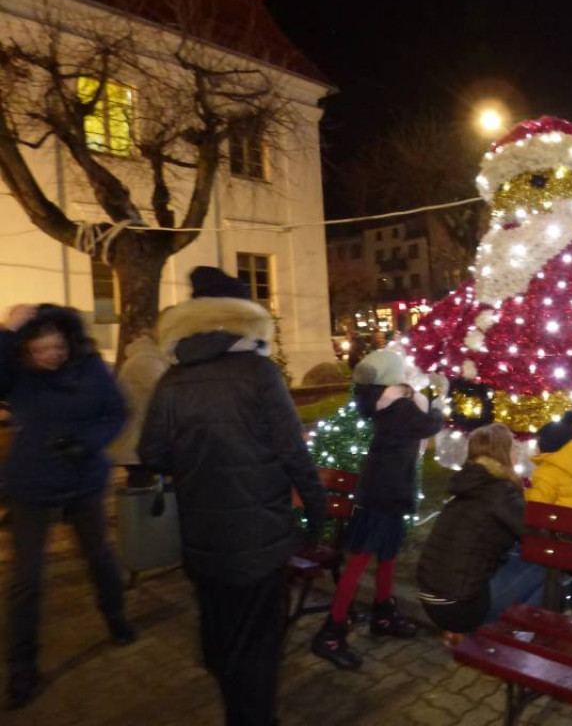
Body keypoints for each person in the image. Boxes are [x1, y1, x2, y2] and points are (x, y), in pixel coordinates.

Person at [138, 266, 327, 726]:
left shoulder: (172, 380)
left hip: (203, 536)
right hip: (260, 538)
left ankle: (234, 706)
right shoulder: (259, 373)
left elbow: (152, 453)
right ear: (244, 321)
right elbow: (291, 451)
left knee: (220, 629)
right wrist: (316, 507)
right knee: (260, 641)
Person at [0, 303, 131, 710]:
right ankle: (23, 666)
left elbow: (117, 413)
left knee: (99, 558)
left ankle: (115, 617)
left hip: (82, 479)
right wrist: (8, 329)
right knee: (27, 578)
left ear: (68, 341)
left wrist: (87, 443)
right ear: (26, 350)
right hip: (31, 483)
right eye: (38, 349)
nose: (48, 356)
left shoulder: (91, 368)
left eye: (55, 347)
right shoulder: (16, 373)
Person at [311, 348, 445, 671]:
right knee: (360, 560)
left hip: (387, 490)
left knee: (387, 554)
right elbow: (429, 424)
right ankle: (331, 631)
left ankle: (383, 612)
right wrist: (441, 397)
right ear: (391, 375)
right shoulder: (397, 405)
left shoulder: (381, 399)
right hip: (384, 494)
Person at [416, 423, 546, 636]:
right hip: (461, 608)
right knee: (547, 567)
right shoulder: (500, 491)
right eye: (512, 449)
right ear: (504, 455)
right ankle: (521, 633)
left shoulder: (468, 484)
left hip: (431, 596)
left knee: (517, 556)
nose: (515, 454)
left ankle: (503, 630)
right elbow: (537, 539)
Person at [526, 411, 572, 612]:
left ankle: (563, 607)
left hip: (557, 530)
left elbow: (538, 505)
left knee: (558, 569)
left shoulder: (547, 473)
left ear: (549, 445)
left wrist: (524, 495)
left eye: (538, 442)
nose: (536, 446)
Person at [108, 329, 168, 488]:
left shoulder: (151, 358)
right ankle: (139, 512)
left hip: (140, 437)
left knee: (143, 481)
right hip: (138, 439)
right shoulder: (146, 360)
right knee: (142, 484)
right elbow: (164, 393)